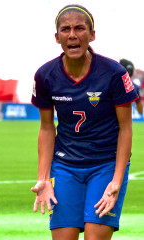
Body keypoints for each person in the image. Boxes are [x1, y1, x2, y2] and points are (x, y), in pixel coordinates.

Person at [31, 4, 139, 240]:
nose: (72, 35)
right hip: (65, 166)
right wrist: (43, 177)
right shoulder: (45, 75)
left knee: (94, 236)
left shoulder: (114, 73)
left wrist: (116, 180)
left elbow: (126, 129)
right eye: (65, 29)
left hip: (105, 165)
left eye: (80, 28)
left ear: (92, 35)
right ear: (57, 37)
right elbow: (47, 128)